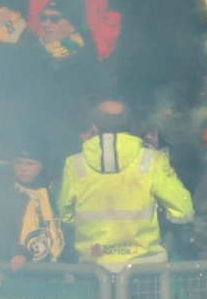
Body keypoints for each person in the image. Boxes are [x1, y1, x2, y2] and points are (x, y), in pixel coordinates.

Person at [55, 102, 192, 266]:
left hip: (94, 267)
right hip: (144, 267)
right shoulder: (152, 160)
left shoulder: (75, 164)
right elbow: (183, 211)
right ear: (131, 126)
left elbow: (66, 214)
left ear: (95, 128)